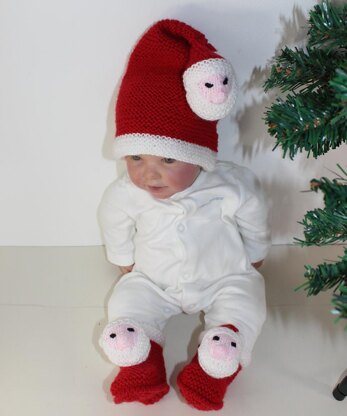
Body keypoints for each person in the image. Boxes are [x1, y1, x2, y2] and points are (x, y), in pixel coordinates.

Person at [98, 19, 271, 411]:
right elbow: (114, 222)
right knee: (128, 300)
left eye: (167, 158)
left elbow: (255, 212)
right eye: (135, 157)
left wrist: (257, 249)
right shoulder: (126, 192)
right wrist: (123, 261)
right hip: (154, 279)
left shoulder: (230, 185)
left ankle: (217, 362)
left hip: (223, 276)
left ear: (197, 155)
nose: (147, 173)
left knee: (248, 299)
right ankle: (139, 358)